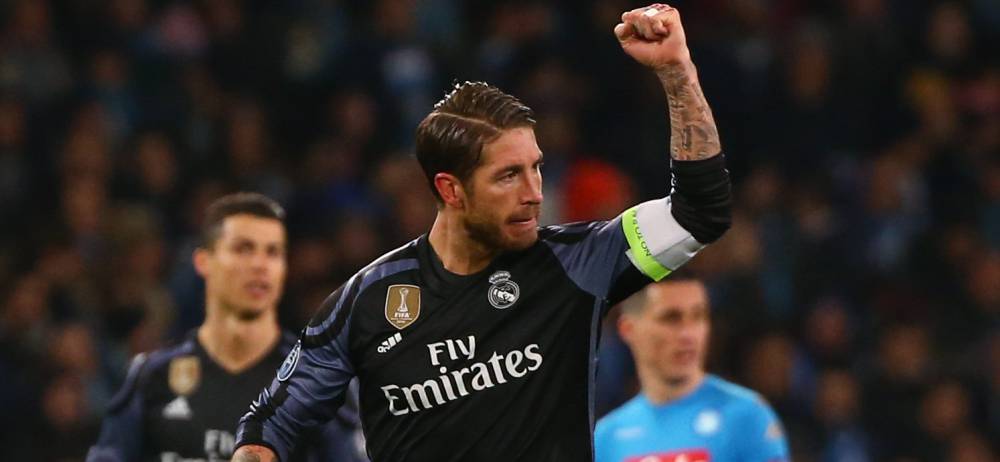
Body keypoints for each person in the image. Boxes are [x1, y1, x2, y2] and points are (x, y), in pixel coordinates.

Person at [234, 4, 732, 461]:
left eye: (536, 168)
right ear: (450, 190)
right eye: (508, 176)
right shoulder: (369, 300)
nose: (534, 193)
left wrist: (677, 72)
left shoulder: (577, 263)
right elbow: (272, 423)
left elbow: (699, 212)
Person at [86, 193, 366, 462]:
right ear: (203, 261)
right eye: (243, 249)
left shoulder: (315, 381)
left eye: (273, 252)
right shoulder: (151, 376)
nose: (260, 265)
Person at [594, 277, 790, 462]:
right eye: (671, 318)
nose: (688, 334)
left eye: (698, 316)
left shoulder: (746, 416)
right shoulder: (606, 438)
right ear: (628, 329)